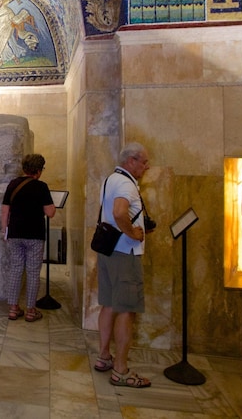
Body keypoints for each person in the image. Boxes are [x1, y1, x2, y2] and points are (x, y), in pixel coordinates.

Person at [95, 142, 154, 387]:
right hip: (124, 254)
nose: (146, 166)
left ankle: (104, 356)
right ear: (131, 161)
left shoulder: (111, 179)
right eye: (144, 162)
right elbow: (120, 212)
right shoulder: (127, 184)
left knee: (108, 304)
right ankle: (120, 370)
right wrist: (132, 233)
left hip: (108, 252)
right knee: (126, 310)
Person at [0, 153, 56, 322]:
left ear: (24, 168)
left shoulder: (13, 184)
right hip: (35, 236)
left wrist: (5, 231)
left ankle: (13, 309)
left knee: (16, 270)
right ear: (38, 171)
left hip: (15, 234)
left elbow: (4, 210)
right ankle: (31, 311)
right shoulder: (41, 187)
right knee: (32, 273)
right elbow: (50, 212)